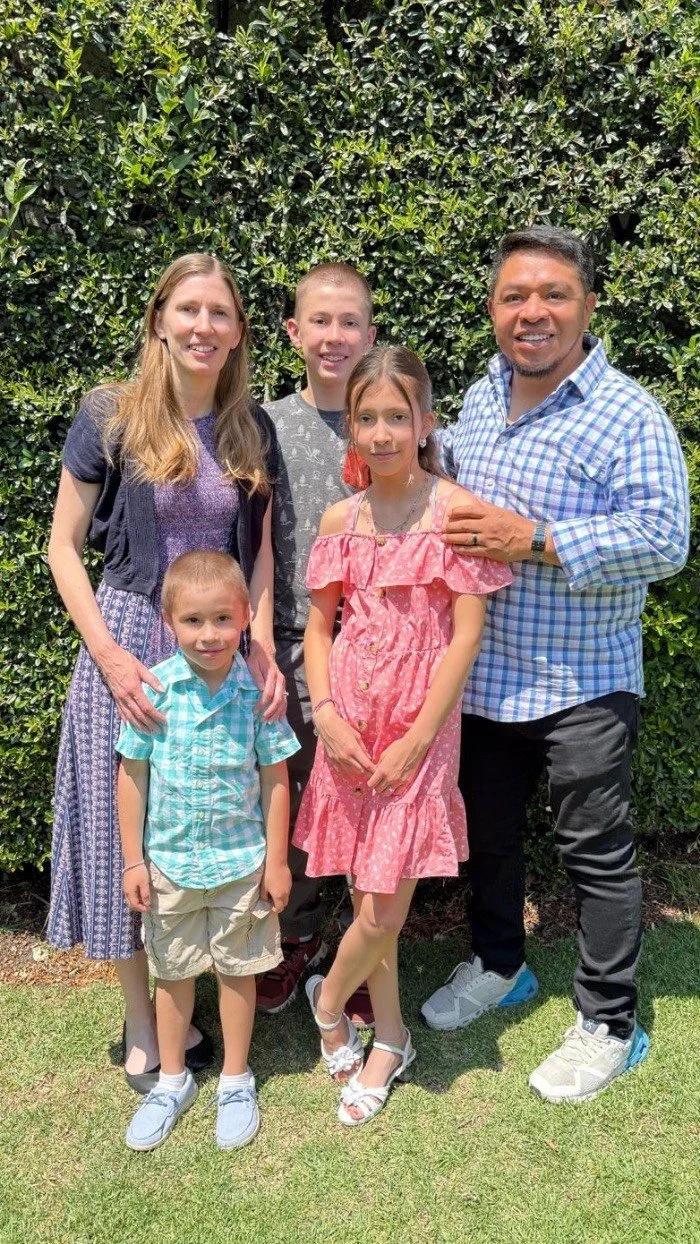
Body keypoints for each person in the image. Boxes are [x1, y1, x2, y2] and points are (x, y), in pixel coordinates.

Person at [421, 225, 690, 1103]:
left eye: (553, 295)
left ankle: (610, 1021)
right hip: (486, 676)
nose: (532, 312)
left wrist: (533, 538)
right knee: (488, 837)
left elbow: (665, 539)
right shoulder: (478, 398)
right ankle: (501, 964)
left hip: (584, 679)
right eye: (514, 296)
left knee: (595, 853)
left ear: (587, 306)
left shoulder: (628, 414)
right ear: (493, 309)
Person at [46, 253, 286, 1092]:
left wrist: (259, 641)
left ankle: (206, 987)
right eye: (188, 309)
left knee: (213, 817)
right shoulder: (110, 417)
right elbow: (63, 547)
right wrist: (110, 656)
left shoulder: (250, 428)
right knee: (129, 828)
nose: (203, 326)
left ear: (238, 331)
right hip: (128, 644)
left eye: (220, 312)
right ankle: (144, 1023)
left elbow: (259, 556)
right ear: (159, 319)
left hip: (220, 651)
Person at [294, 346, 512, 1126]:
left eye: (397, 416)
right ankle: (389, 1038)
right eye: (367, 418)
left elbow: (465, 635)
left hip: (417, 735)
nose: (382, 432)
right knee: (367, 893)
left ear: (425, 422)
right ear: (351, 427)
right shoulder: (340, 521)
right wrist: (324, 712)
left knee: (384, 909)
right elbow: (319, 628)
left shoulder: (456, 512)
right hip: (348, 730)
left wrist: (420, 737)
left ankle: (327, 1002)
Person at [117, 551, 299, 1150]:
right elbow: (132, 775)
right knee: (172, 974)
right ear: (168, 621)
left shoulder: (258, 694)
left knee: (237, 971)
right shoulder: (156, 688)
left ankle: (236, 1080)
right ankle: (172, 1080)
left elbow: (275, 777)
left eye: (223, 618)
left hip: (241, 864)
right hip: (169, 865)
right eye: (193, 620)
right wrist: (134, 860)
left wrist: (277, 862)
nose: (209, 634)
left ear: (245, 617)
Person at [256, 264, 377, 1021]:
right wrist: (260, 643)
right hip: (298, 644)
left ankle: (364, 954)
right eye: (320, 322)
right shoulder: (262, 425)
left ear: (370, 334)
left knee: (372, 799)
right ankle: (295, 934)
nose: (335, 337)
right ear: (294, 333)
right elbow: (252, 541)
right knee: (298, 799)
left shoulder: (391, 418)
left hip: (386, 651)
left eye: (349, 322)